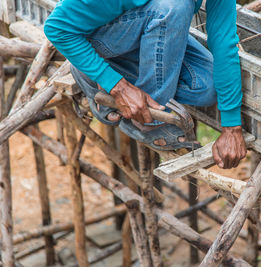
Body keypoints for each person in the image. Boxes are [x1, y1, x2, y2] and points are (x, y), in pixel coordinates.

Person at [44, 0, 246, 169]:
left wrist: (232, 127)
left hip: (148, 20)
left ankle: (118, 76)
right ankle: (146, 120)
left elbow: (223, 41)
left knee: (207, 86)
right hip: (99, 34)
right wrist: (117, 85)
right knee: (175, 6)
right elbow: (58, 28)